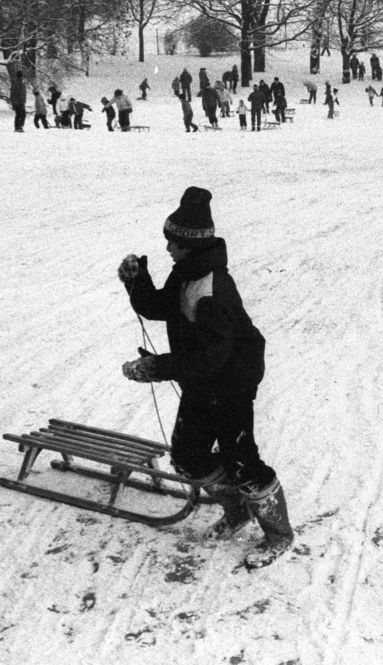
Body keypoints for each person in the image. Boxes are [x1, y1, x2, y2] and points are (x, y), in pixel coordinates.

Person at [117, 188, 292, 569]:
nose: (167, 249)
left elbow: (212, 357)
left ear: (188, 245)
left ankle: (279, 533)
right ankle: (236, 513)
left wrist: (158, 368)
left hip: (231, 382)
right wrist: (137, 282)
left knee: (242, 462)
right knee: (188, 455)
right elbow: (162, 307)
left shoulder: (212, 289)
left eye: (172, 243)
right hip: (204, 379)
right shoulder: (187, 272)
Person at [10, 66, 28, 132]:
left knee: (17, 115)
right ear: (22, 77)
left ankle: (17, 127)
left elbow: (12, 94)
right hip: (20, 103)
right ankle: (19, 127)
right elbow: (22, 95)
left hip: (15, 102)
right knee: (22, 115)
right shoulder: (22, 85)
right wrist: (23, 102)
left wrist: (12, 102)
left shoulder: (13, 84)